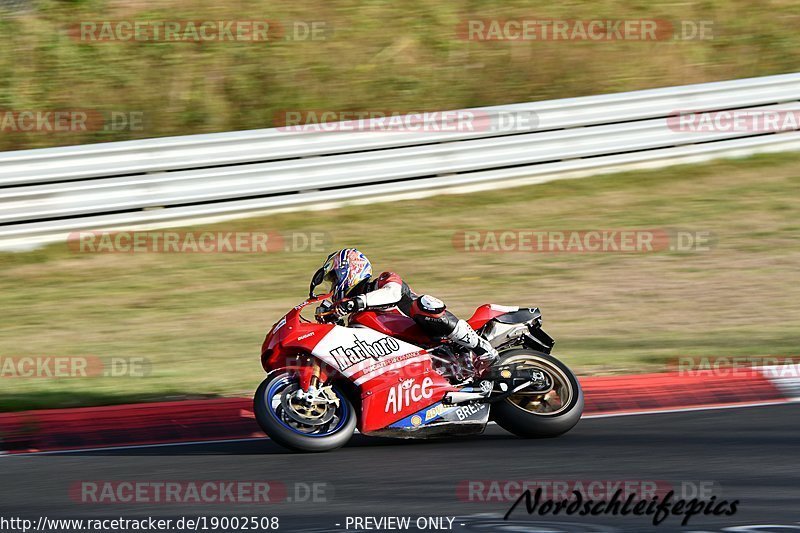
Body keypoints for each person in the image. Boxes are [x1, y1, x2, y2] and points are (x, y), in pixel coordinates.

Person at [309, 248, 497, 360]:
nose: (333, 285)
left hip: (428, 332)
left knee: (424, 305)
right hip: (403, 351)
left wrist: (356, 302)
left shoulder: (382, 281)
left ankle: (482, 349)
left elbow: (393, 293)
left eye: (334, 279)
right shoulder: (354, 315)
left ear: (349, 270)